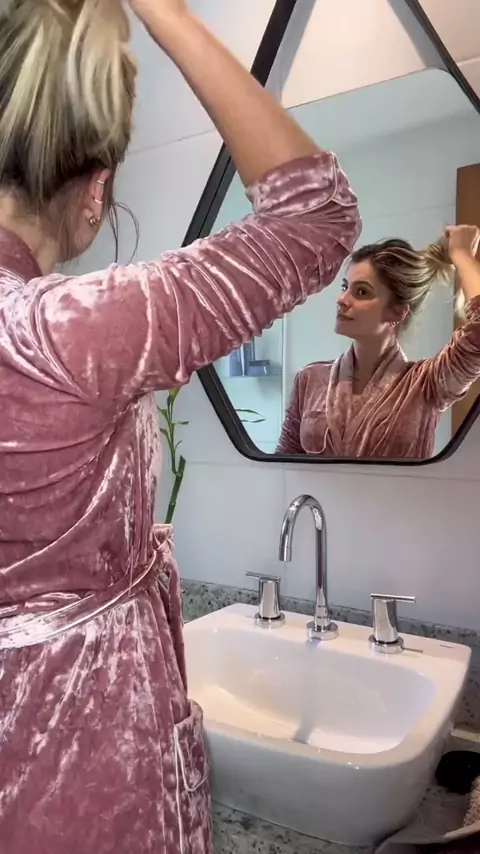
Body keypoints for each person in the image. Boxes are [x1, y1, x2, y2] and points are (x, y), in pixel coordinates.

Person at [0, 0, 360, 852]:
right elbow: (317, 216)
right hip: (78, 748)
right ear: (97, 189)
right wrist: (162, 9)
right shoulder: (63, 330)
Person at [277, 227, 480, 459]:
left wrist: (462, 254)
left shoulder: (428, 383)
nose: (341, 299)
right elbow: (284, 462)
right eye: (345, 287)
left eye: (361, 292)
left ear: (397, 312)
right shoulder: (310, 379)